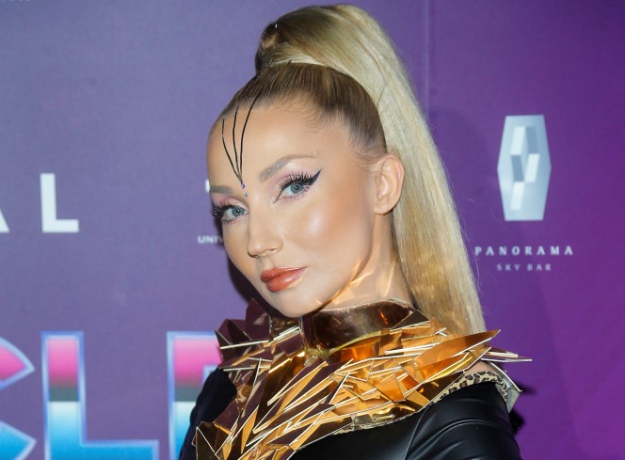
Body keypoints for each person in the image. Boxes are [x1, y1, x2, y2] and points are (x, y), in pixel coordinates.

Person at [180, 5, 527, 460]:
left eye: (293, 185)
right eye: (231, 210)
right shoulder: (231, 388)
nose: (258, 242)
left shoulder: (451, 416)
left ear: (383, 183)